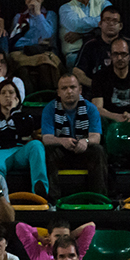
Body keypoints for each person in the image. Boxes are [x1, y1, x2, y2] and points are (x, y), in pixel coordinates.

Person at [41, 74, 108, 202]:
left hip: (83, 150)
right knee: (48, 152)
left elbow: (96, 137)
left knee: (98, 151)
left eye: (72, 87)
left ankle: (98, 199)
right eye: (64, 88)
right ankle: (53, 200)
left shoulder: (91, 109)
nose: (69, 91)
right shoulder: (49, 109)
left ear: (80, 90)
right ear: (59, 92)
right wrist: (61, 141)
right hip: (62, 152)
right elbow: (46, 138)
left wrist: (86, 141)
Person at [0, 79, 48, 197]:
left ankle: (40, 190)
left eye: (11, 93)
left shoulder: (24, 116)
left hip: (19, 152)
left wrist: (14, 112)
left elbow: (25, 132)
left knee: (36, 145)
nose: (7, 96)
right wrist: (13, 135)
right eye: (3, 93)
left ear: (17, 97)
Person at [8, 0, 60, 93]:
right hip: (24, 53)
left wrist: (37, 14)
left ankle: (47, 97)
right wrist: (35, 41)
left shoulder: (50, 15)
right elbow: (14, 41)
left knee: (44, 66)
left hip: (44, 53)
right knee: (21, 69)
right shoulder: (19, 17)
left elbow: (49, 36)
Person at [17, 215, 95, 260]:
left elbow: (91, 226)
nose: (61, 240)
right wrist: (39, 237)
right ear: (49, 236)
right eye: (57, 236)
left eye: (65, 236)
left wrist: (71, 235)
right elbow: (20, 227)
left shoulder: (75, 251)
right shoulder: (37, 251)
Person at [73, 6, 130, 93]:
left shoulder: (129, 44)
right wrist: (97, 86)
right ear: (100, 23)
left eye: (115, 21)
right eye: (107, 20)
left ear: (120, 26)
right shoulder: (89, 45)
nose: (111, 24)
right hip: (95, 92)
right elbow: (77, 72)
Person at [58, 0, 109, 70]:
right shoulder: (65, 9)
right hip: (76, 54)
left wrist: (81, 35)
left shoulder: (104, 4)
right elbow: (77, 26)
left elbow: (109, 22)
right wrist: (100, 21)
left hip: (102, 50)